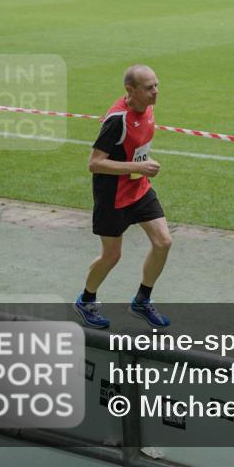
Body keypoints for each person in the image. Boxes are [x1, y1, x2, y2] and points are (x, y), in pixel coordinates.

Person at [74, 64, 172, 329]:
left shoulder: (148, 108)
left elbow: (135, 148)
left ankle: (142, 300)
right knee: (112, 255)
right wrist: (138, 166)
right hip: (113, 195)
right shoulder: (117, 121)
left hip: (139, 188)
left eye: (157, 85)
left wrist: (141, 165)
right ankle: (86, 300)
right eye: (149, 88)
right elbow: (94, 163)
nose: (156, 92)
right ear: (131, 90)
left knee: (163, 242)